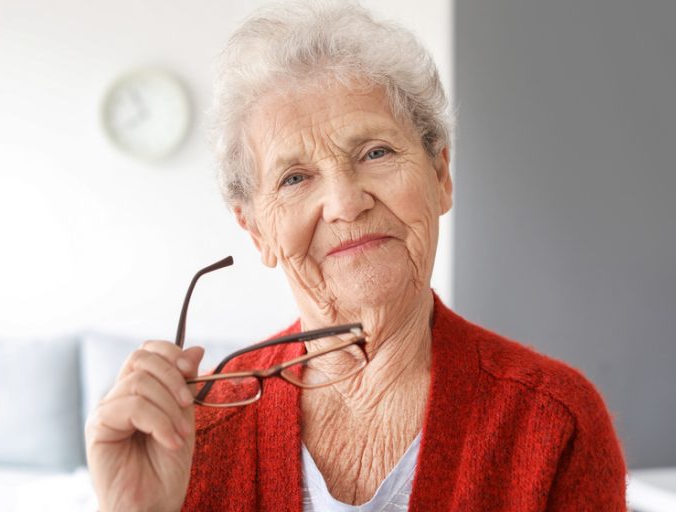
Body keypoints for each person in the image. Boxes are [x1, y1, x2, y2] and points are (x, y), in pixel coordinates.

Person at [85, 2, 627, 510]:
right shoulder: (191, 434)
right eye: (295, 178)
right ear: (255, 230)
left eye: (375, 152)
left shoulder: (556, 420)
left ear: (440, 175)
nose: (345, 203)